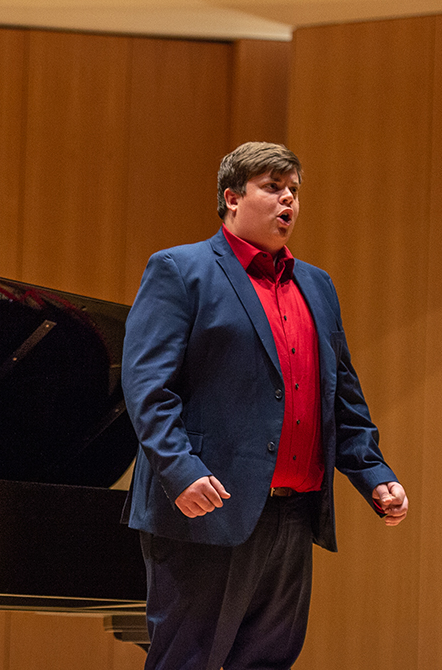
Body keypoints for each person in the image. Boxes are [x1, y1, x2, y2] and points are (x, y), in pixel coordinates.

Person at [121, 142, 408, 670]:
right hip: (207, 509)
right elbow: (146, 388)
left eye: (294, 190)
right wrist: (181, 473)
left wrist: (373, 472)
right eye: (273, 188)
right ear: (232, 198)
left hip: (293, 516)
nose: (288, 202)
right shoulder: (180, 270)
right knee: (188, 662)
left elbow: (341, 395)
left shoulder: (316, 285)